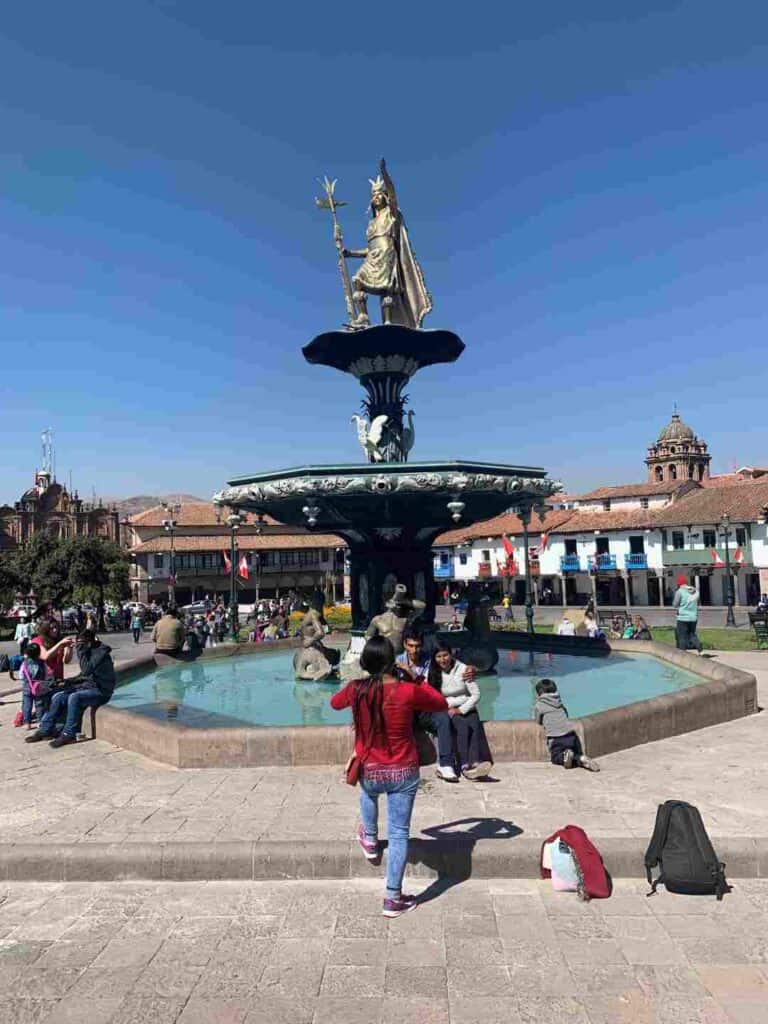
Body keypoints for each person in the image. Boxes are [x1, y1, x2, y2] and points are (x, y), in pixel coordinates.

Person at [330, 636, 448, 917]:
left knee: (368, 794)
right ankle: (393, 897)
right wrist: (415, 679)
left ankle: (370, 839)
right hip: (404, 770)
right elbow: (440, 703)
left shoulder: (356, 689)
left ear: (365, 662)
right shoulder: (407, 690)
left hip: (370, 767)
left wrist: (357, 687)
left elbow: (335, 703)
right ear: (391, 662)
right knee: (398, 834)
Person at [25, 629, 116, 748]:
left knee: (75, 697)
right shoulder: (89, 650)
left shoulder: (100, 653)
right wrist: (66, 682)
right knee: (60, 696)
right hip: (89, 687)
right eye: (78, 644)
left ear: (90, 642)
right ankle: (45, 729)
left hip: (102, 691)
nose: (80, 646)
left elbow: (86, 669)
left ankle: (69, 733)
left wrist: (80, 650)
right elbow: (84, 676)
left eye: (82, 644)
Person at [427, 642, 492, 781]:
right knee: (462, 726)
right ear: (434, 658)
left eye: (445, 655)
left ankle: (474, 763)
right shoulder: (432, 673)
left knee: (474, 723)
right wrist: (452, 707)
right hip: (447, 710)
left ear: (451, 654)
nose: (443, 659)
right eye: (438, 656)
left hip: (465, 707)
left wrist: (460, 708)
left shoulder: (463, 669)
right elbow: (433, 697)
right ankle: (465, 765)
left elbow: (476, 694)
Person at [534, 679, 599, 772]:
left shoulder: (539, 705)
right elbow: (566, 714)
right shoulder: (559, 702)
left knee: (556, 757)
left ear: (539, 693)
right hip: (570, 735)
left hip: (556, 738)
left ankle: (566, 756)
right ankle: (581, 759)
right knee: (573, 755)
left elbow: (538, 721)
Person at [18, 642, 54, 730]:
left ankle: (27, 723)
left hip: (27, 686)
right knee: (39, 704)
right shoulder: (42, 663)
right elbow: (47, 674)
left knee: (27, 705)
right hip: (40, 686)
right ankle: (40, 721)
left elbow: (21, 675)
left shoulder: (25, 663)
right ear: (39, 653)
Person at [673, 575, 702, 653]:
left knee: (682, 636)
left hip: (682, 618)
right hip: (693, 617)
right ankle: (698, 645)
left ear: (679, 584)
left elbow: (675, 604)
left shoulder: (679, 592)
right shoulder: (695, 591)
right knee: (692, 634)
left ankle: (682, 653)